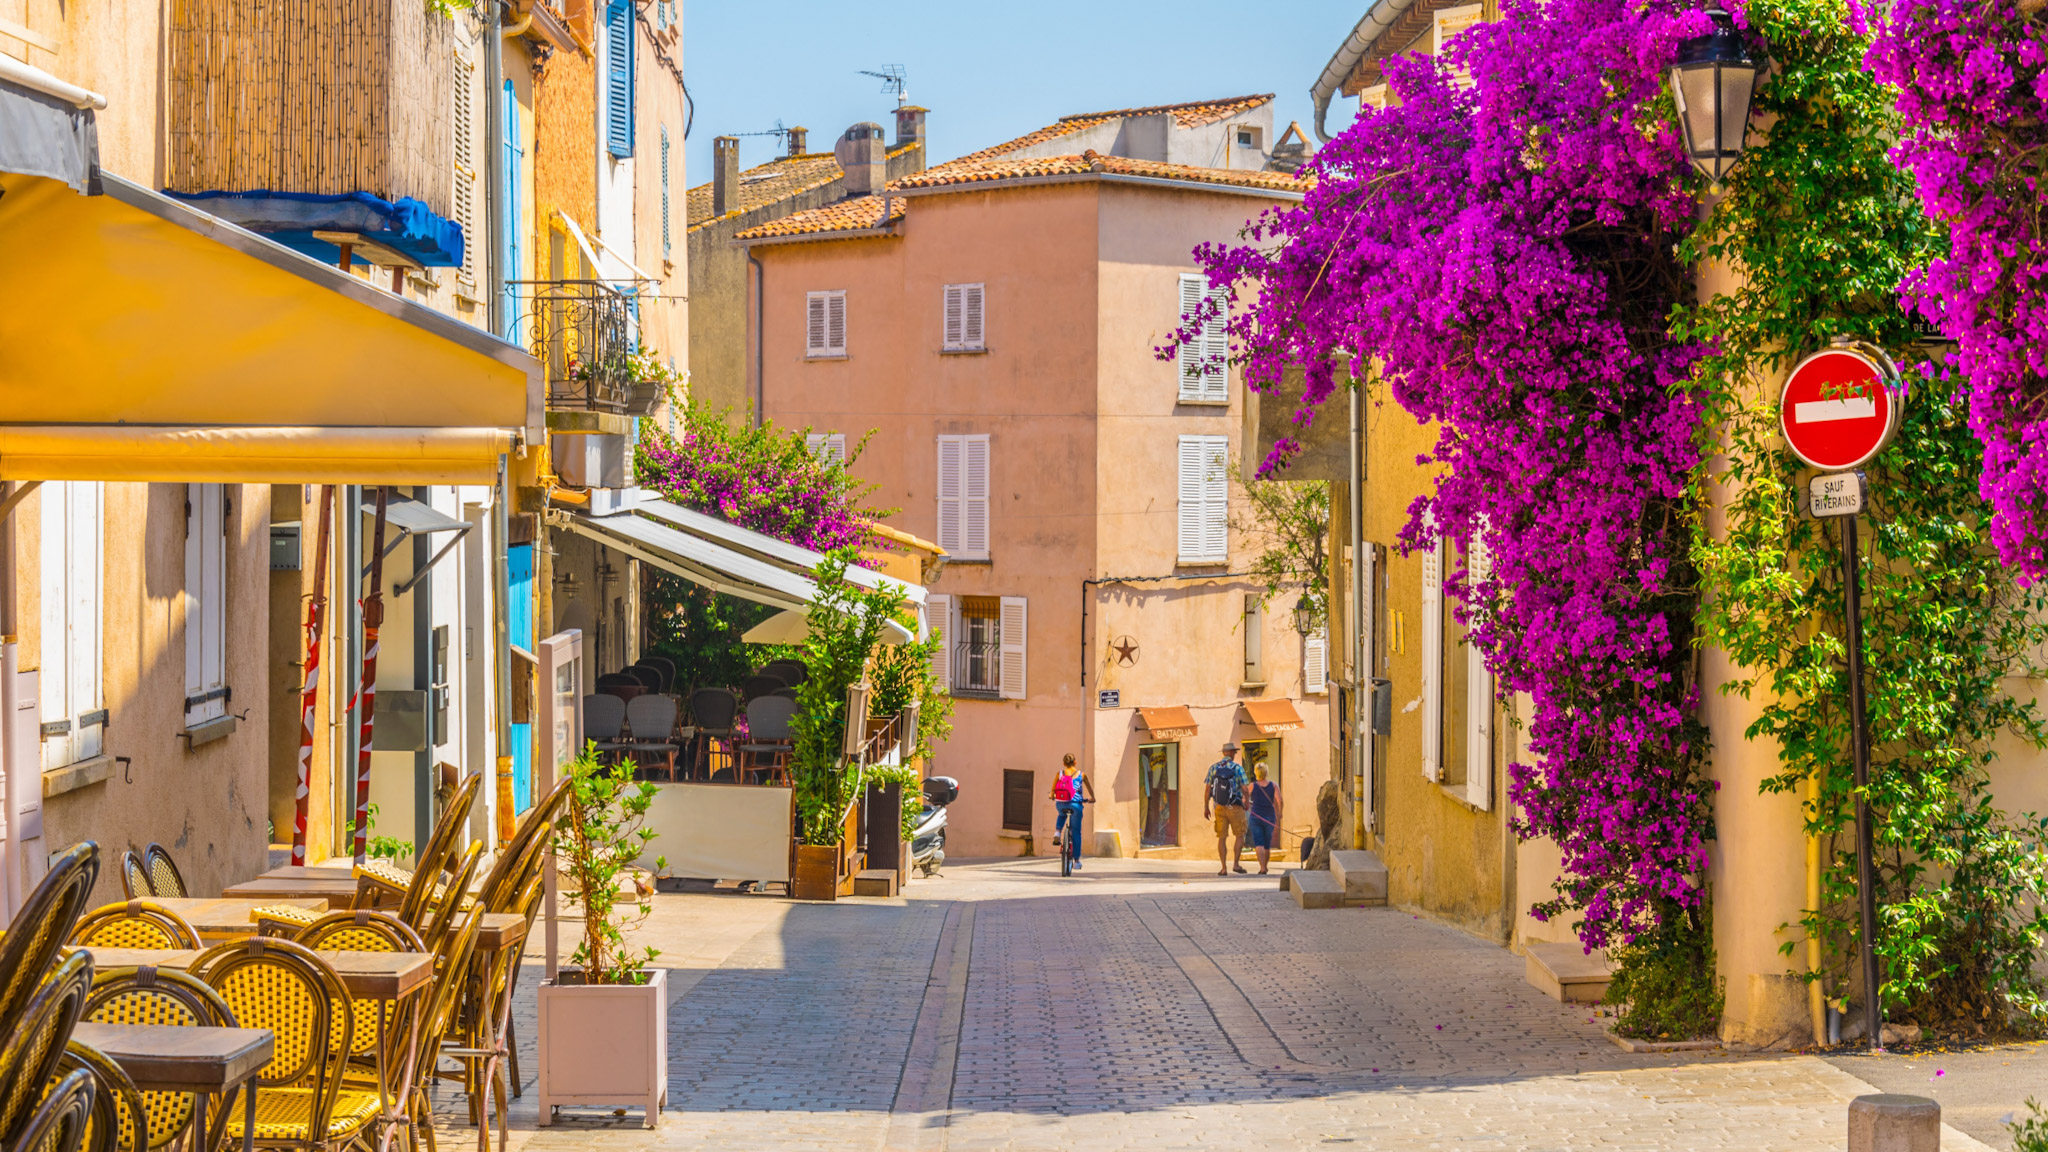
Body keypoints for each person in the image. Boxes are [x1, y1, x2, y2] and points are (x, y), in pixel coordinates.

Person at [1203, 742, 1249, 876]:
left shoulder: (1213, 768)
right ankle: (1236, 864)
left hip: (1219, 807)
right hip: (1235, 806)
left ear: (1223, 753)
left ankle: (1223, 868)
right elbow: (1245, 788)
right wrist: (1246, 801)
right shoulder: (1237, 768)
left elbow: (1207, 790)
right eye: (1234, 752)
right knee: (1239, 835)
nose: (1235, 754)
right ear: (1232, 753)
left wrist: (1206, 807)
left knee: (1221, 837)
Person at [1049, 753, 1094, 870]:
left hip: (1061, 803)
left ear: (1064, 763)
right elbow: (1089, 788)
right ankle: (1077, 861)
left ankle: (1058, 832)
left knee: (1061, 813)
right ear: (1075, 762)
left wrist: (1052, 795)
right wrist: (1092, 798)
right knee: (1076, 832)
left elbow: (1053, 791)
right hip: (1076, 806)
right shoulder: (1081, 775)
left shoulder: (1059, 774)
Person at [1245, 762, 1279, 875]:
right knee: (1267, 843)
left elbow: (1244, 799)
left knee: (1259, 842)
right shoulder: (1274, 785)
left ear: (1256, 773)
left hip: (1256, 816)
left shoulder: (1252, 786)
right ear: (1266, 772)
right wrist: (1280, 813)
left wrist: (1246, 805)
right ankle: (1266, 866)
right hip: (1269, 817)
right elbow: (1280, 800)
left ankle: (1262, 867)